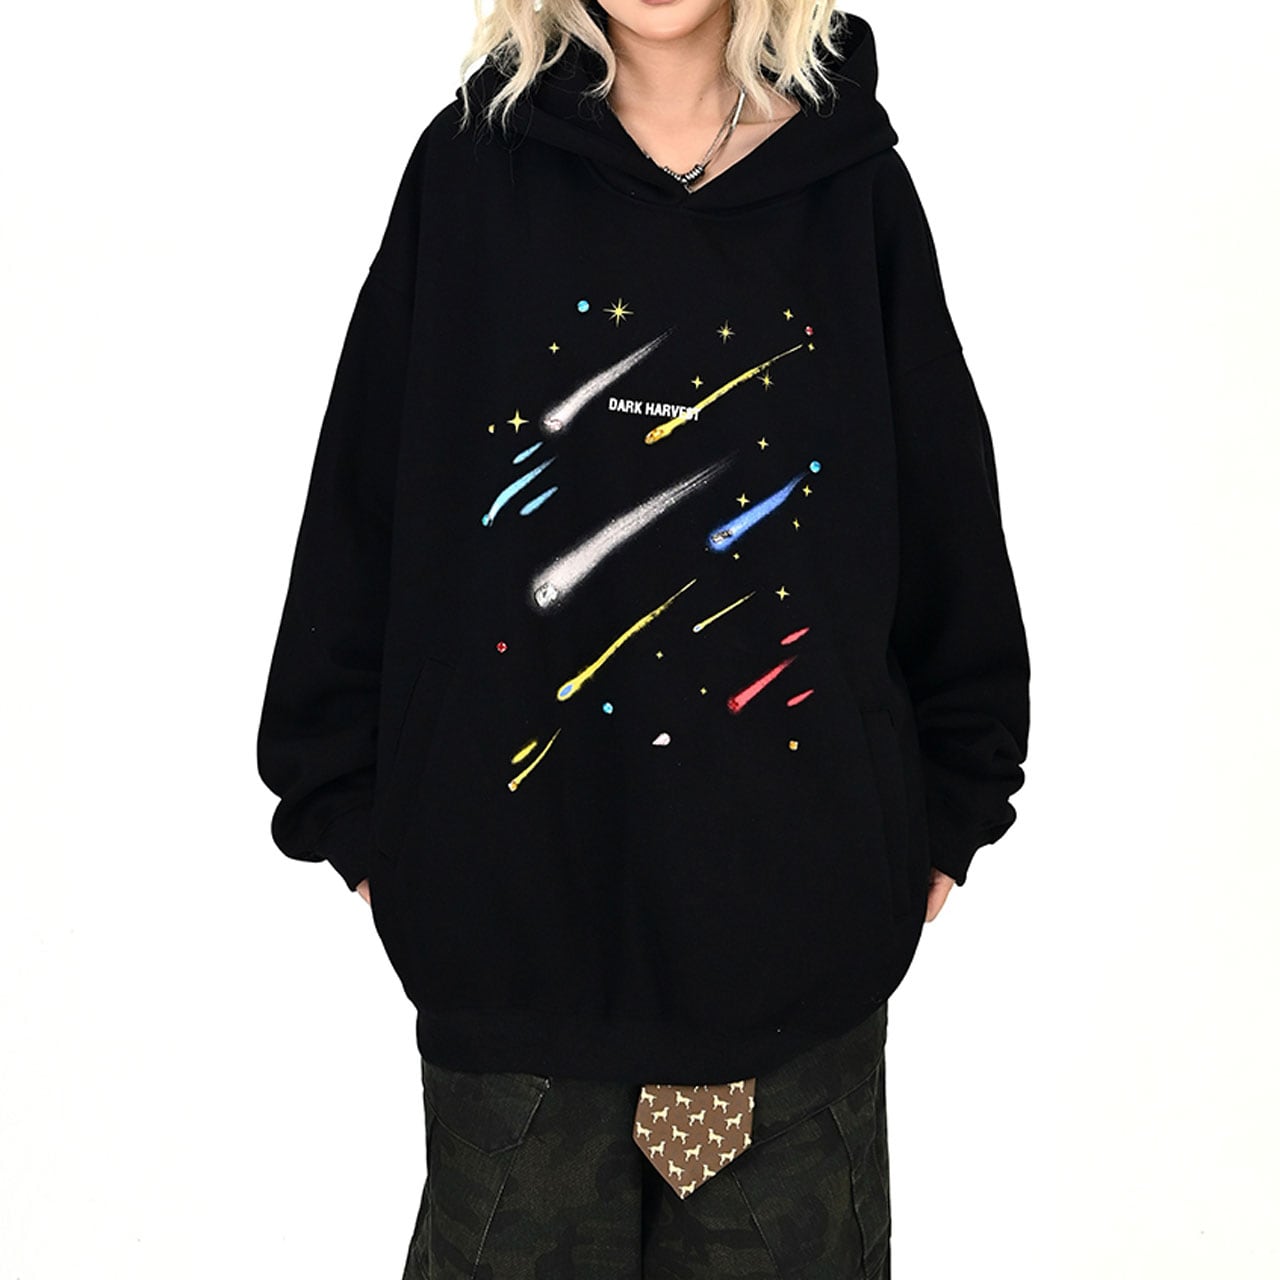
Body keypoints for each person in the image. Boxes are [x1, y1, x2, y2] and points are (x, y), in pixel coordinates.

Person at [255, 1, 1031, 1274]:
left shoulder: (849, 188)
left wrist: (948, 800)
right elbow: (366, 495)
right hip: (513, 956)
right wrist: (347, 802)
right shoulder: (472, 171)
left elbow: (941, 502)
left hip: (796, 957)